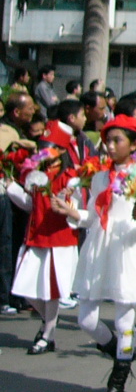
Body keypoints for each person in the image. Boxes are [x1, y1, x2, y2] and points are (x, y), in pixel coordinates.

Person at [53, 116, 136, 392]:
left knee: (124, 318)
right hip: (99, 247)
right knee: (85, 319)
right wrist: (72, 213)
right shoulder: (99, 176)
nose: (109, 146)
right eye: (107, 140)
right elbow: (92, 216)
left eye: (116, 140)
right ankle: (120, 352)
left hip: (128, 247)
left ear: (134, 145)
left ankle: (117, 382)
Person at [8, 121, 80, 354]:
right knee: (24, 288)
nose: (43, 151)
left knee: (51, 291)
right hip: (36, 236)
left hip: (58, 239)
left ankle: (48, 334)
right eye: (42, 146)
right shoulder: (36, 174)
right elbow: (30, 205)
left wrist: (67, 204)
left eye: (48, 147)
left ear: (61, 150)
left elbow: (77, 209)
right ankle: (49, 321)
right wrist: (10, 186)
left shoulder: (71, 177)